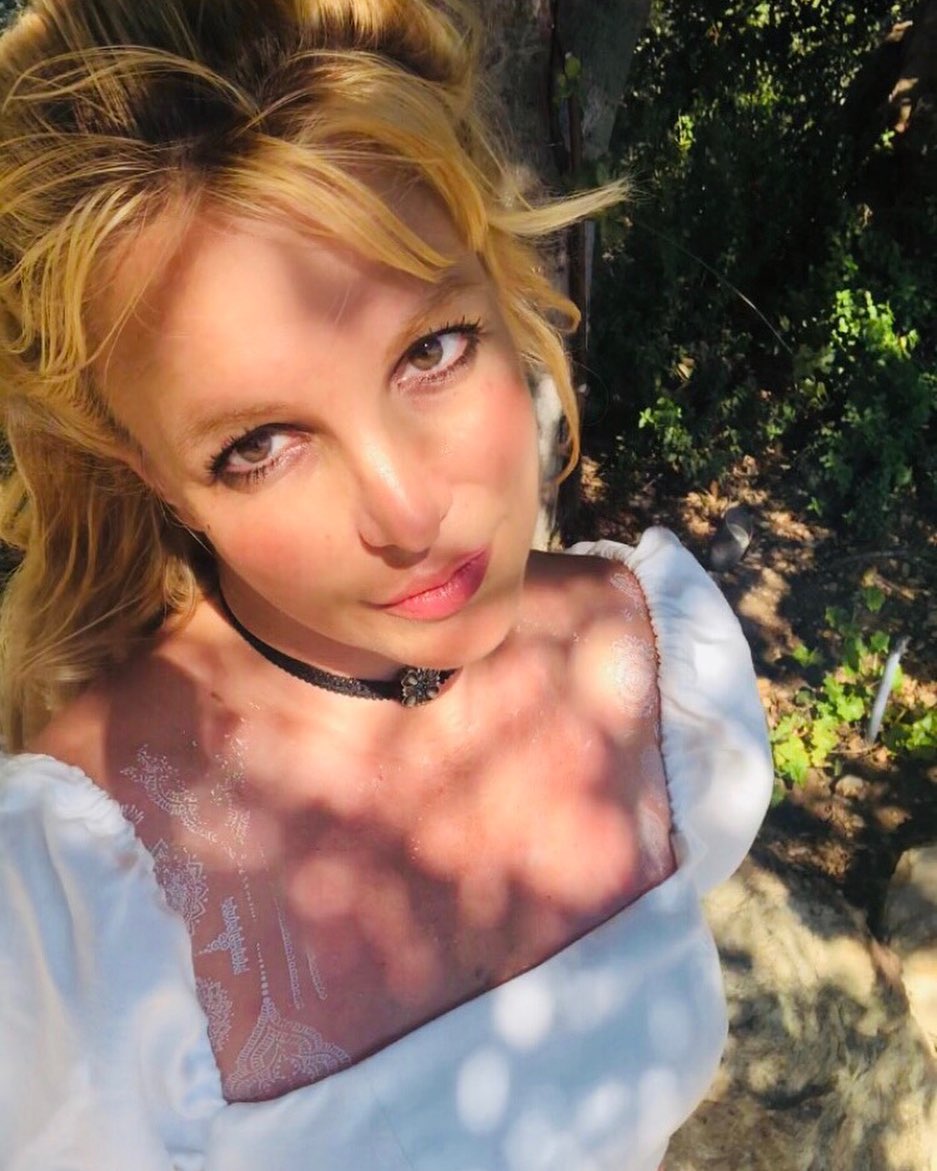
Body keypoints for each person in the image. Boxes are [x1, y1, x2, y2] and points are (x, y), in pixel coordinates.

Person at [0, 1, 773, 1168]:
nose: (407, 514)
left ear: (501, 279)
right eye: (258, 443)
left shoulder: (658, 668)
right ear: (145, 467)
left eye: (431, 349)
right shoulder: (72, 912)